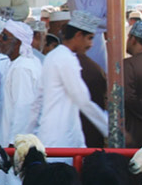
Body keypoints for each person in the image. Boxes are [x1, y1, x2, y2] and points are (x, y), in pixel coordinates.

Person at [38, 11, 109, 151]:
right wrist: (109, 128)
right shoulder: (65, 59)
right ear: (78, 36)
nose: (91, 44)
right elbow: (82, 100)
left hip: (58, 135)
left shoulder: (54, 56)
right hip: (59, 138)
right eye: (89, 38)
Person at [0, 20, 43, 142]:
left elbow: (23, 110)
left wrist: (14, 145)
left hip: (17, 145)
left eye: (5, 37)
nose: (0, 40)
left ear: (17, 43)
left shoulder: (22, 68)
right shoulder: (21, 63)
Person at [64, 0, 110, 73]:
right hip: (81, 41)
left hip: (99, 43)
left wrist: (93, 21)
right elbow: (81, 20)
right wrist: (101, 24)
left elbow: (110, 23)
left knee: (100, 73)